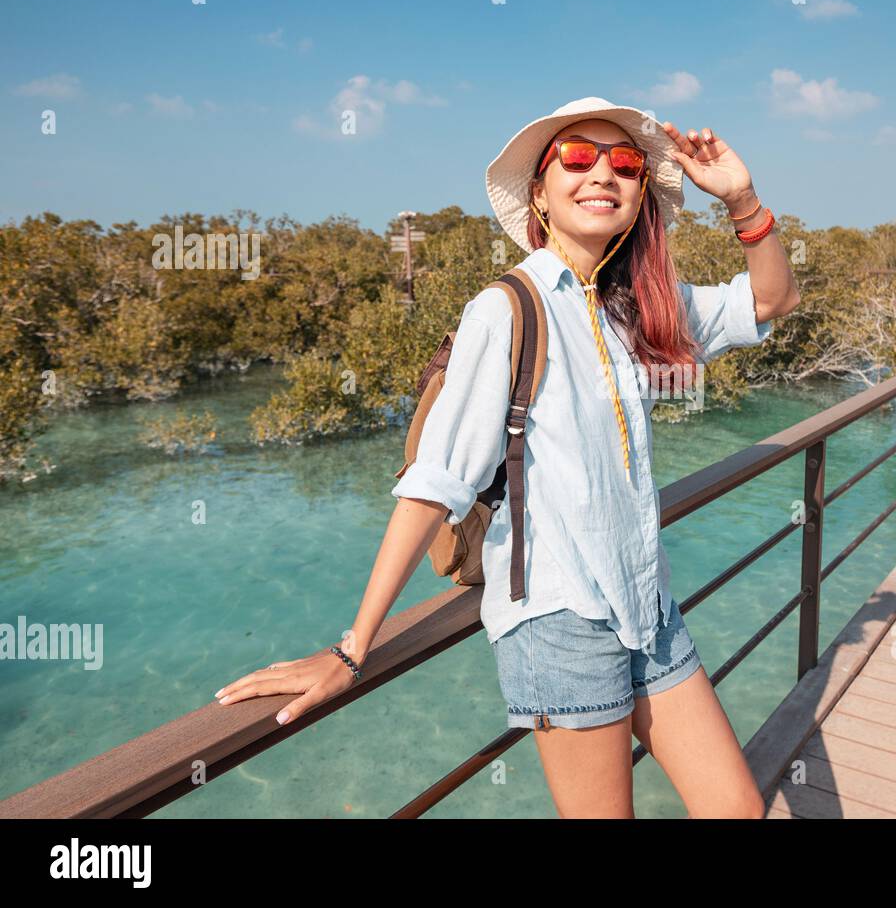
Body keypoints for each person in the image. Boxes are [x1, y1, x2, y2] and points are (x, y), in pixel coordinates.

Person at [214, 97, 801, 818]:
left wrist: (742, 199)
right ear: (540, 193)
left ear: (641, 192)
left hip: (648, 605)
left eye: (623, 164)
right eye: (577, 159)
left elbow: (771, 299)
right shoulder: (506, 308)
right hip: (559, 623)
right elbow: (436, 483)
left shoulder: (638, 303)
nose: (602, 175)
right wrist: (351, 648)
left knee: (738, 808)